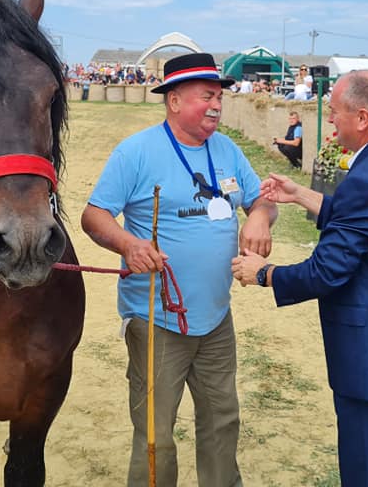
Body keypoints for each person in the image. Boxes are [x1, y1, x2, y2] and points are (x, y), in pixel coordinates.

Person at [233, 70, 368, 487]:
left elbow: (327, 271)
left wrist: (265, 274)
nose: (331, 121)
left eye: (335, 113)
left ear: (362, 118)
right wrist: (300, 195)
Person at [81, 52, 278, 487]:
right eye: (206, 96)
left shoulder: (226, 149)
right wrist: (129, 244)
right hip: (157, 321)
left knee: (222, 419)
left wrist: (261, 217)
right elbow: (94, 216)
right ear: (173, 100)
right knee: (156, 433)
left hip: (215, 318)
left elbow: (259, 198)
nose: (216, 106)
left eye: (219, 98)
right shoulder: (136, 152)